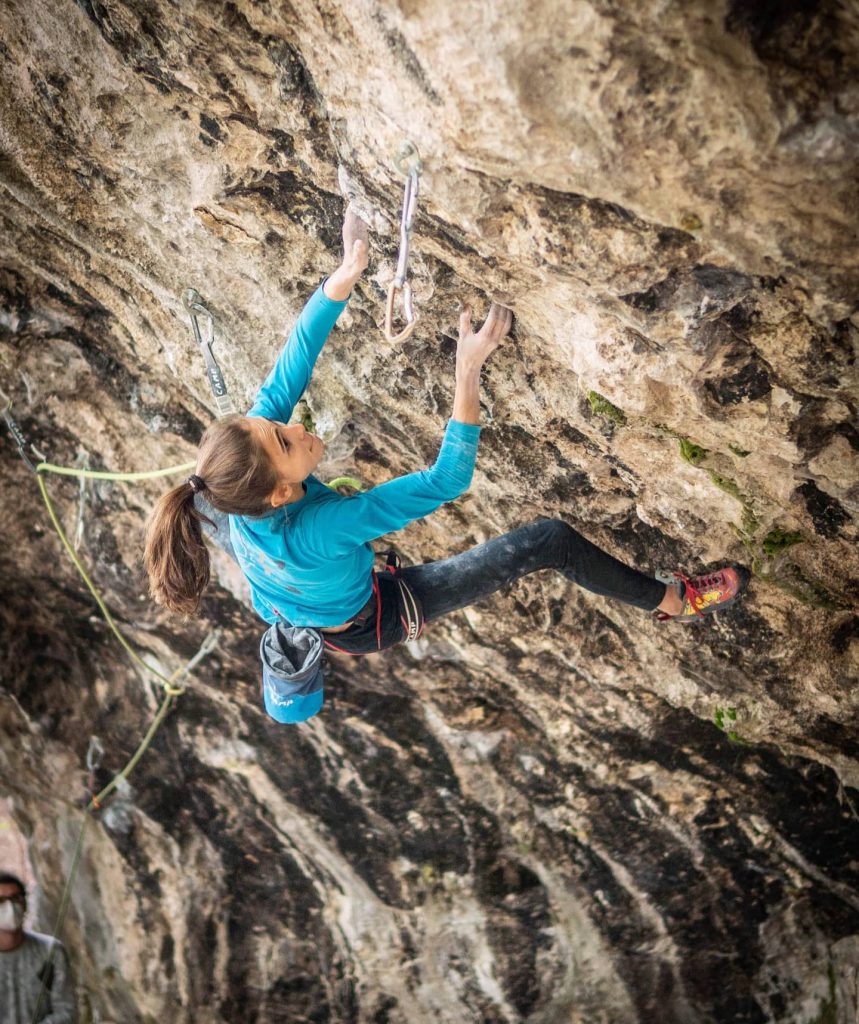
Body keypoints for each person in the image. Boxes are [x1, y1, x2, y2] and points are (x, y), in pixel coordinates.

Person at [144, 209, 747, 723]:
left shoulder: (233, 483)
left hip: (293, 592)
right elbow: (446, 481)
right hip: (366, 616)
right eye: (285, 441)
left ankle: (297, 612)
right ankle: (672, 600)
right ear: (277, 494)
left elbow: (290, 369)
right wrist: (468, 370)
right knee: (547, 541)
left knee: (214, 502)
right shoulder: (321, 528)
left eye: (275, 425)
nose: (297, 426)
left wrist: (344, 277)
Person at [0, 873, 76, 1024]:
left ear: (25, 903)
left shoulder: (51, 952)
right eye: (0, 901)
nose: (10, 907)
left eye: (15, 898)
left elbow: (66, 1010)